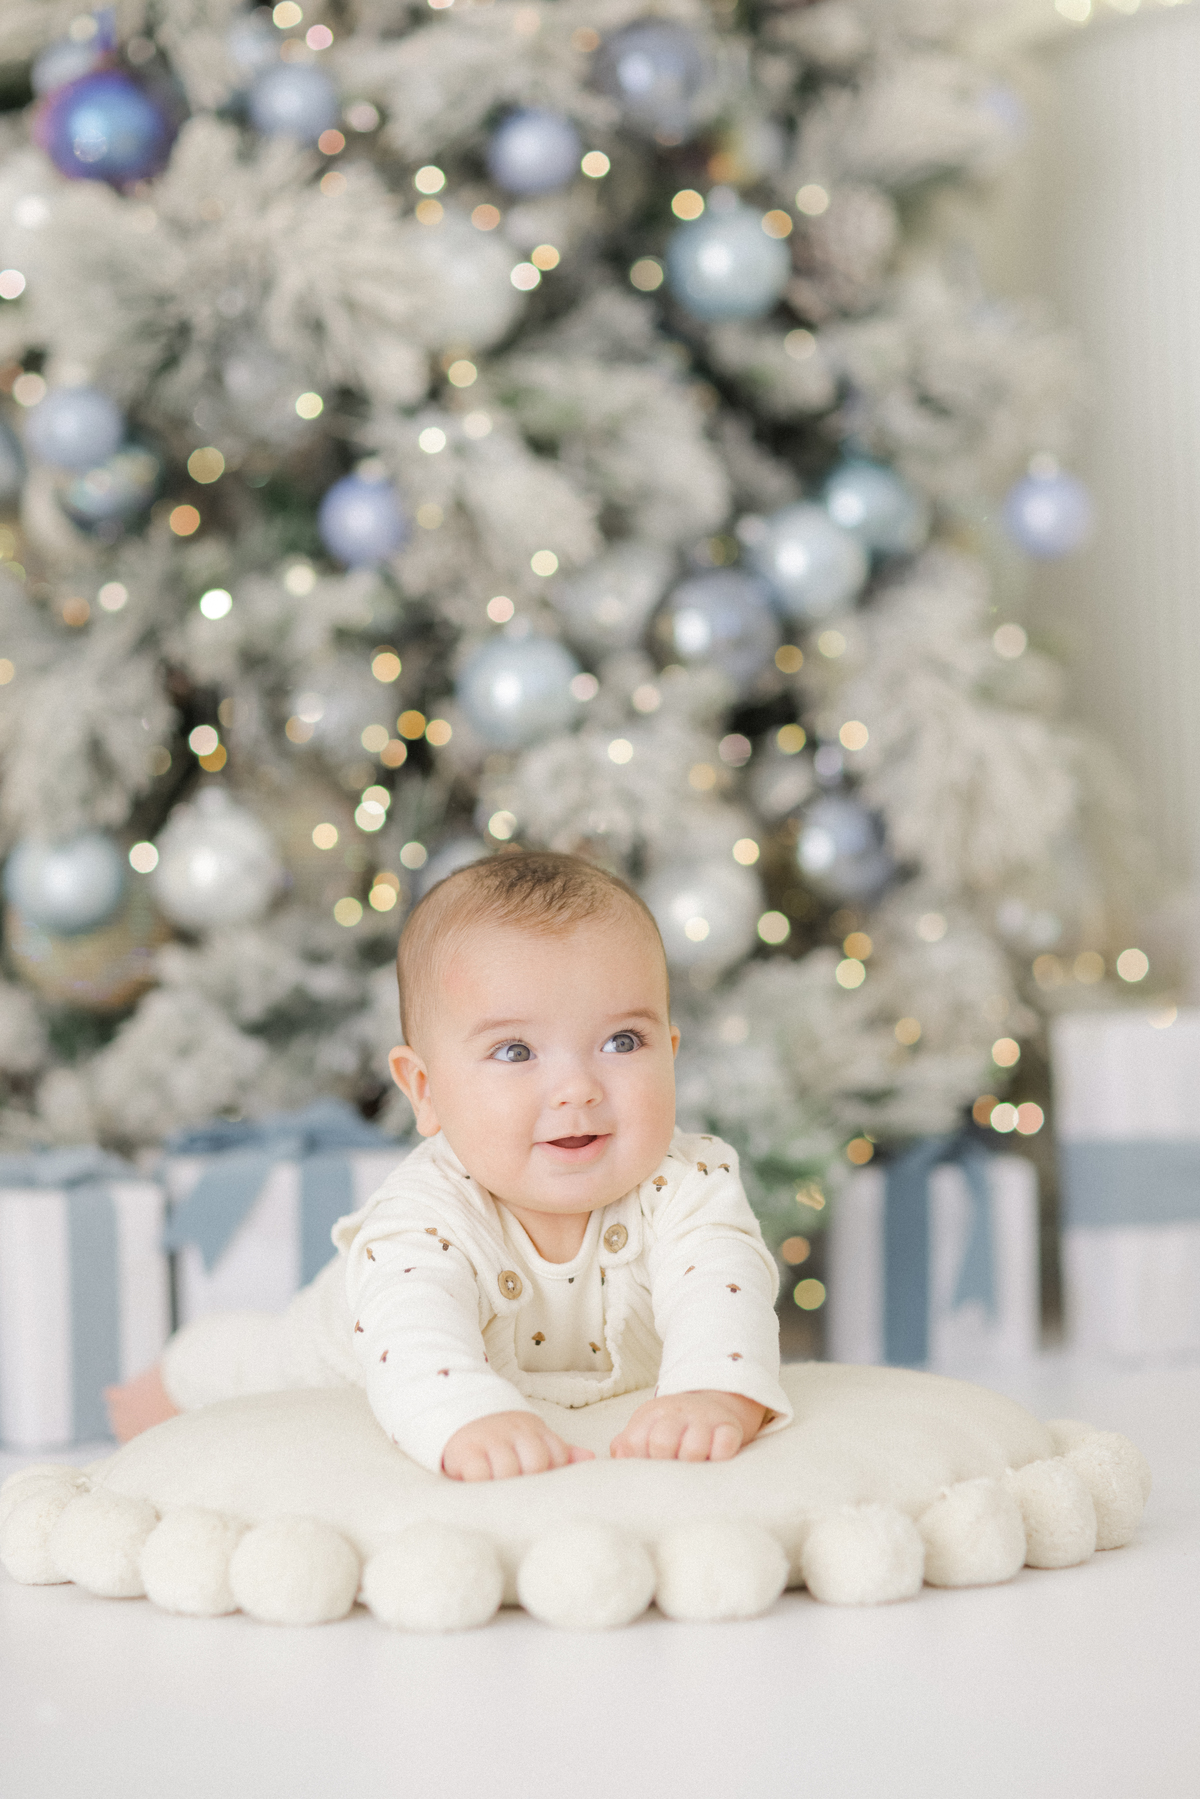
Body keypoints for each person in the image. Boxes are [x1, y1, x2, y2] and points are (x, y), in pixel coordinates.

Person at [107, 850, 791, 1481]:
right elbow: (414, 1336)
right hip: (345, 1343)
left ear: (670, 1052)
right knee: (255, 1366)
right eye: (516, 1051)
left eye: (622, 1041)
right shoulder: (422, 1218)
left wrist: (714, 1392)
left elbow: (721, 1288)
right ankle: (162, 1385)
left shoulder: (690, 1184)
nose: (577, 1089)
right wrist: (469, 1415)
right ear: (425, 1090)